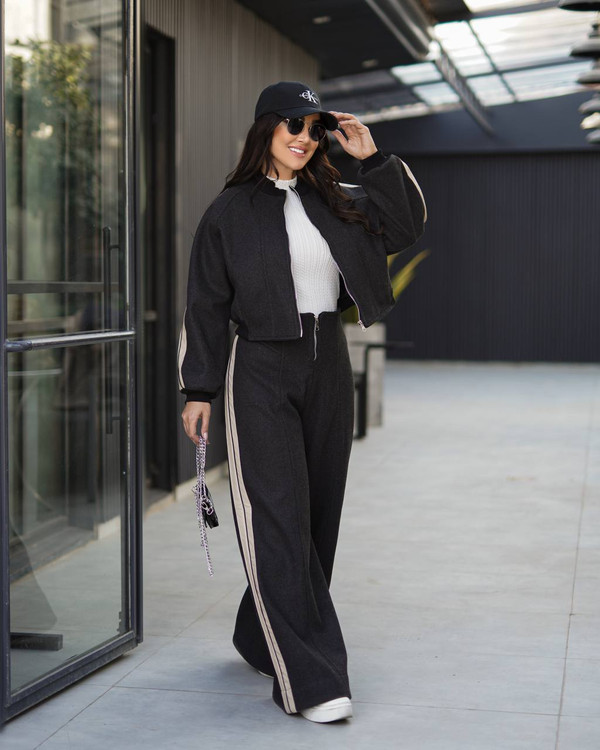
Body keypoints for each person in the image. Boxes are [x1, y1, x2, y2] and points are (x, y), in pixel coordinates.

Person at [178, 80, 427, 723]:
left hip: (329, 363)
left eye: (316, 129)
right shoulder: (229, 211)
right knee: (278, 519)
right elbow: (205, 303)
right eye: (293, 124)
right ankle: (312, 680)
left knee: (317, 516)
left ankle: (259, 634)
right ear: (265, 127)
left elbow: (404, 225)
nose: (305, 137)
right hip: (260, 368)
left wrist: (372, 158)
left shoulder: (338, 198)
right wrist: (199, 388)